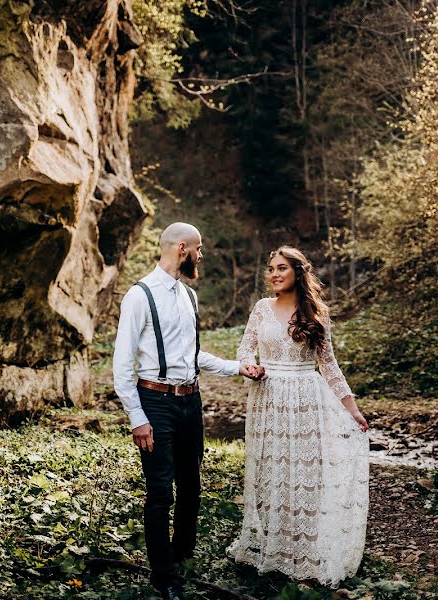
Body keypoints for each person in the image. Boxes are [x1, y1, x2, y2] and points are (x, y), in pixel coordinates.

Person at [113, 222, 266, 600]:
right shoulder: (139, 295)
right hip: (155, 404)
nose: (202, 255)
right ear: (183, 248)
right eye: (199, 249)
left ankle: (182, 558)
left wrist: (237, 367)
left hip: (190, 402)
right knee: (160, 492)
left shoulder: (189, 296)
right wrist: (138, 418)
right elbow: (121, 365)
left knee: (192, 487)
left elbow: (190, 354)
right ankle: (164, 578)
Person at [227, 245, 370, 588]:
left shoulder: (316, 312)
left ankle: (304, 554)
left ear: (297, 273)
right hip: (267, 399)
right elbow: (245, 349)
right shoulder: (261, 309)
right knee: (270, 473)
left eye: (282, 268)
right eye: (271, 268)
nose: (274, 274)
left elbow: (329, 365)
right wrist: (250, 367)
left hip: (307, 399)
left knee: (303, 474)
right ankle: (274, 550)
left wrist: (352, 409)